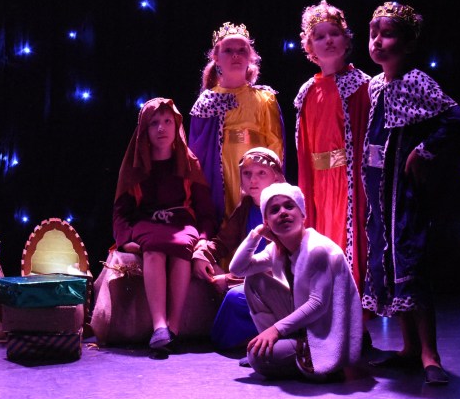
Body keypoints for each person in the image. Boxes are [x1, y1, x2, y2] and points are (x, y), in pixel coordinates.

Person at [361, 2, 460, 385]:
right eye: (373, 33)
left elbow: (456, 117)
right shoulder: (375, 85)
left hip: (403, 195)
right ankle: (407, 348)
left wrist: (424, 150)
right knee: (390, 268)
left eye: (387, 34)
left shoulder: (416, 81)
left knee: (411, 265)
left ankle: (429, 353)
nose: (377, 41)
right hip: (379, 195)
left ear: (407, 44)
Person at [113, 98, 217, 358]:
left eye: (168, 121)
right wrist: (125, 240)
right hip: (147, 221)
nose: (161, 128)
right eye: (154, 123)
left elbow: (205, 210)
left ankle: (174, 326)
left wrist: (203, 239)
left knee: (181, 246)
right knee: (154, 249)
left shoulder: (189, 162)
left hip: (181, 221)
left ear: (176, 125)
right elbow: (121, 211)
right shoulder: (135, 165)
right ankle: (159, 326)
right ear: (145, 130)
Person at [229, 183, 362, 381]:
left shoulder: (317, 249)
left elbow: (318, 304)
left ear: (302, 214)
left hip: (324, 332)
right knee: (254, 280)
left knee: (257, 358)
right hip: (303, 326)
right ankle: (274, 346)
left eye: (289, 206)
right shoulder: (277, 249)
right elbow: (238, 269)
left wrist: (275, 330)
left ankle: (312, 358)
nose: (283, 212)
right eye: (274, 210)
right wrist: (255, 234)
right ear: (267, 222)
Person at [293, 0, 371, 296]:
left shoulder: (362, 85)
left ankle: (353, 310)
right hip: (319, 183)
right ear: (309, 47)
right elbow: (305, 148)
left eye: (334, 33)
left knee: (348, 241)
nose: (328, 40)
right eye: (320, 36)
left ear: (346, 40)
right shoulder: (307, 91)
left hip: (349, 182)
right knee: (322, 242)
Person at [189, 22, 285, 222]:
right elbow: (197, 152)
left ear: (250, 57)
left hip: (257, 171)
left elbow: (276, 142)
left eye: (242, 50)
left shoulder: (265, 98)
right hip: (221, 171)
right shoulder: (207, 102)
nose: (236, 55)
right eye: (228, 50)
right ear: (216, 57)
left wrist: (272, 177)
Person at [192, 147, 285, 352]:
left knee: (236, 299)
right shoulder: (247, 207)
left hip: (278, 287)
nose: (253, 180)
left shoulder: (283, 208)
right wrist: (202, 254)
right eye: (247, 173)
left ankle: (265, 340)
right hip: (250, 280)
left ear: (276, 177)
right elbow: (223, 241)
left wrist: (230, 280)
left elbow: (280, 267)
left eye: (261, 173)